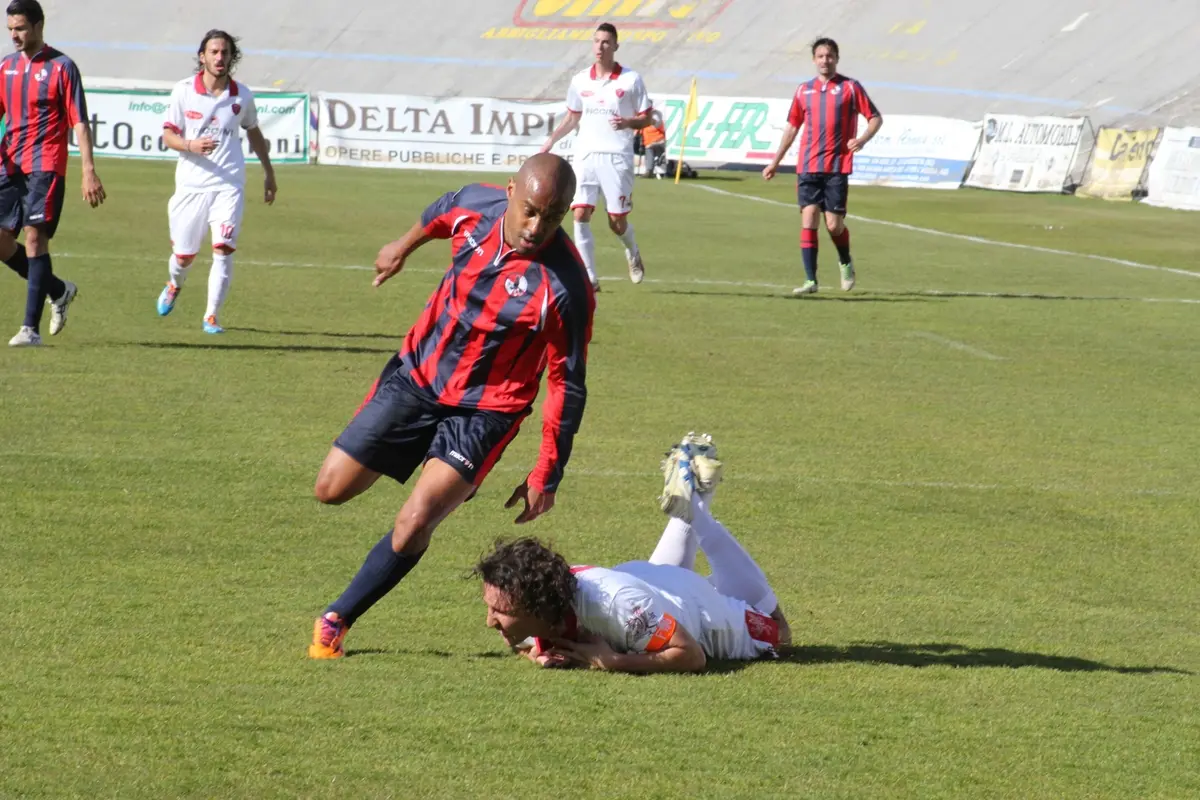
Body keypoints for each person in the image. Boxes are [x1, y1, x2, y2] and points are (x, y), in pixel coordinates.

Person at [308, 153, 595, 660]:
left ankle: (338, 618)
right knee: (330, 490)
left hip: (486, 411)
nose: (537, 227)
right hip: (418, 377)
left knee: (416, 520)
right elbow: (440, 211)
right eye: (529, 211)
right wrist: (401, 246)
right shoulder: (473, 206)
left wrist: (546, 472)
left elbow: (567, 384)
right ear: (509, 191)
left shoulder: (566, 286)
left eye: (552, 217)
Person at [475, 433, 792, 673]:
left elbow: (692, 656)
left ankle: (697, 510)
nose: (490, 621)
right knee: (645, 613)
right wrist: (537, 651)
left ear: (535, 606)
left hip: (701, 612)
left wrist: (614, 660)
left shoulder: (618, 607)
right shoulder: (543, 597)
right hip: (653, 587)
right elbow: (531, 641)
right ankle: (693, 496)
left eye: (498, 611)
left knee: (779, 631)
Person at [156, 29, 277, 334]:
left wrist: (269, 172)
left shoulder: (242, 95)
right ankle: (174, 284)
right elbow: (168, 135)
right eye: (214, 52)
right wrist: (190, 145)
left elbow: (253, 131)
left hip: (229, 184)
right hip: (191, 186)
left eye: (224, 53)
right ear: (203, 57)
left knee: (223, 248)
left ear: (231, 57)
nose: (220, 58)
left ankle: (211, 315)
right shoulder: (183, 91)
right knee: (183, 257)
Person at [1, 0, 105, 347]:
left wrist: (88, 170)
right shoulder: (5, 67)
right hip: (10, 164)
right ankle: (59, 290)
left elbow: (79, 121)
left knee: (34, 237)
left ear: (39, 25)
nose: (15, 35)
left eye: (21, 28)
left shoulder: (62, 67)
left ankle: (30, 329)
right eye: (11, 29)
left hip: (46, 163)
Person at [762, 37, 882, 296]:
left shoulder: (850, 87)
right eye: (820, 56)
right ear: (814, 60)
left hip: (837, 167)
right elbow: (792, 126)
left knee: (833, 225)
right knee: (809, 220)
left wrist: (861, 139)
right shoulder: (803, 90)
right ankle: (810, 280)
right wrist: (775, 162)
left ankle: (845, 261)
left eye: (829, 56)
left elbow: (874, 118)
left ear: (836, 59)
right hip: (808, 166)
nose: (825, 60)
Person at [540, 22, 652, 292]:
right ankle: (589, 276)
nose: (600, 47)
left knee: (617, 222)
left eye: (605, 42)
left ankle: (632, 251)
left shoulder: (631, 79)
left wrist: (627, 122)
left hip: (617, 157)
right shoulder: (580, 80)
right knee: (579, 214)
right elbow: (573, 116)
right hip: (586, 155)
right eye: (596, 41)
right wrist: (551, 141)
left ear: (615, 46)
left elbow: (646, 117)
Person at [639, 107, 667, 179]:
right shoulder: (643, 123)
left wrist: (656, 142)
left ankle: (650, 170)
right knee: (648, 147)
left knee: (649, 147)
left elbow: (665, 133)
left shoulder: (657, 121)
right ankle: (649, 170)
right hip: (648, 144)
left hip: (660, 142)